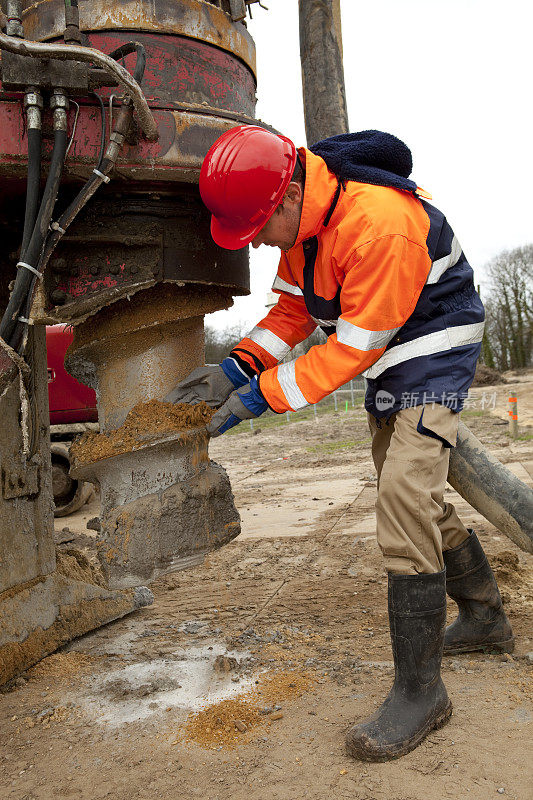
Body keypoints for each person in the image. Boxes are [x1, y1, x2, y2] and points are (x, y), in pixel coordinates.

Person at [166, 125, 514, 761]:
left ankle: (420, 691)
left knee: (403, 499)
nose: (259, 243)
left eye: (258, 230)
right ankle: (487, 616)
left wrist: (257, 399)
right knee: (414, 496)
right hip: (387, 352)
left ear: (290, 194)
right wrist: (237, 365)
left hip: (430, 354)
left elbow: (351, 348)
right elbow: (293, 316)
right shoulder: (301, 223)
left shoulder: (380, 223)